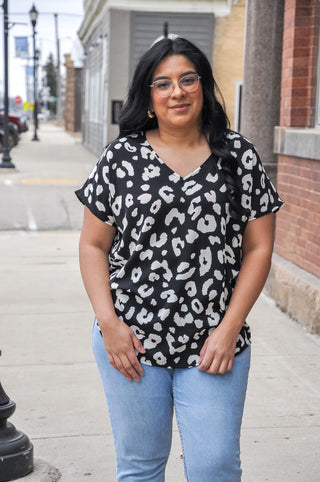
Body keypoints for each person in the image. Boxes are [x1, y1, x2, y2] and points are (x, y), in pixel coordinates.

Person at [76, 35, 284, 482]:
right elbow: (93, 245)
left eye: (188, 79)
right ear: (148, 95)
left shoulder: (239, 157)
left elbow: (259, 248)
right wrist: (109, 324)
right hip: (132, 342)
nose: (177, 92)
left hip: (214, 343)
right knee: (141, 467)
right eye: (163, 83)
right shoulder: (120, 159)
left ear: (204, 87)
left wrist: (229, 330)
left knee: (215, 468)